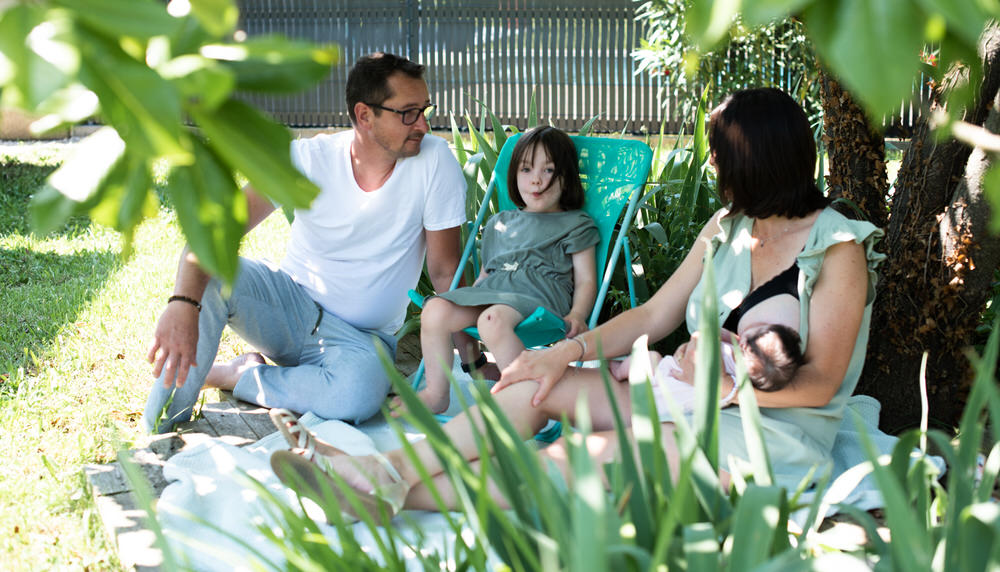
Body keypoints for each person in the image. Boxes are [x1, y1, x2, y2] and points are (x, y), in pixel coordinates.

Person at [269, 87, 885, 520]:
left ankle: (376, 490)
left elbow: (820, 384)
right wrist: (564, 352)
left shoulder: (837, 250)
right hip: (681, 396)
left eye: (722, 152)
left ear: (759, 161)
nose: (714, 161)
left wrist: (713, 390)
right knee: (533, 382)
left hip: (762, 433)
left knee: (580, 464)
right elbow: (653, 316)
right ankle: (387, 472)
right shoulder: (727, 225)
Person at [142, 52, 468, 434]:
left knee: (358, 395)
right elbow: (216, 233)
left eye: (424, 109)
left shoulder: (435, 163)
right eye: (408, 113)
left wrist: (473, 358)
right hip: (289, 308)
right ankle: (161, 427)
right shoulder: (308, 159)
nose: (424, 125)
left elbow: (446, 271)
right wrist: (181, 304)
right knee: (210, 277)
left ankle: (238, 376)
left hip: (361, 341)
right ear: (364, 115)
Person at [401, 126, 599, 414]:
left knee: (491, 320)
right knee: (435, 310)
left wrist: (578, 314)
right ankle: (436, 394)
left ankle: (524, 397)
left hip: (540, 299)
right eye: (527, 169)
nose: (536, 180)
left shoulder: (575, 224)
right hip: (496, 294)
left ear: (566, 177)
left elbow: (586, 280)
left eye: (549, 170)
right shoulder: (499, 223)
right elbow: (487, 274)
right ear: (514, 176)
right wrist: (471, 293)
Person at [609, 290, 805, 415]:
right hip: (672, 410)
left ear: (745, 345)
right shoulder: (734, 386)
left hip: (663, 380)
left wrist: (727, 337)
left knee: (650, 358)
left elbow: (706, 333)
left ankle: (619, 371)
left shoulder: (723, 358)